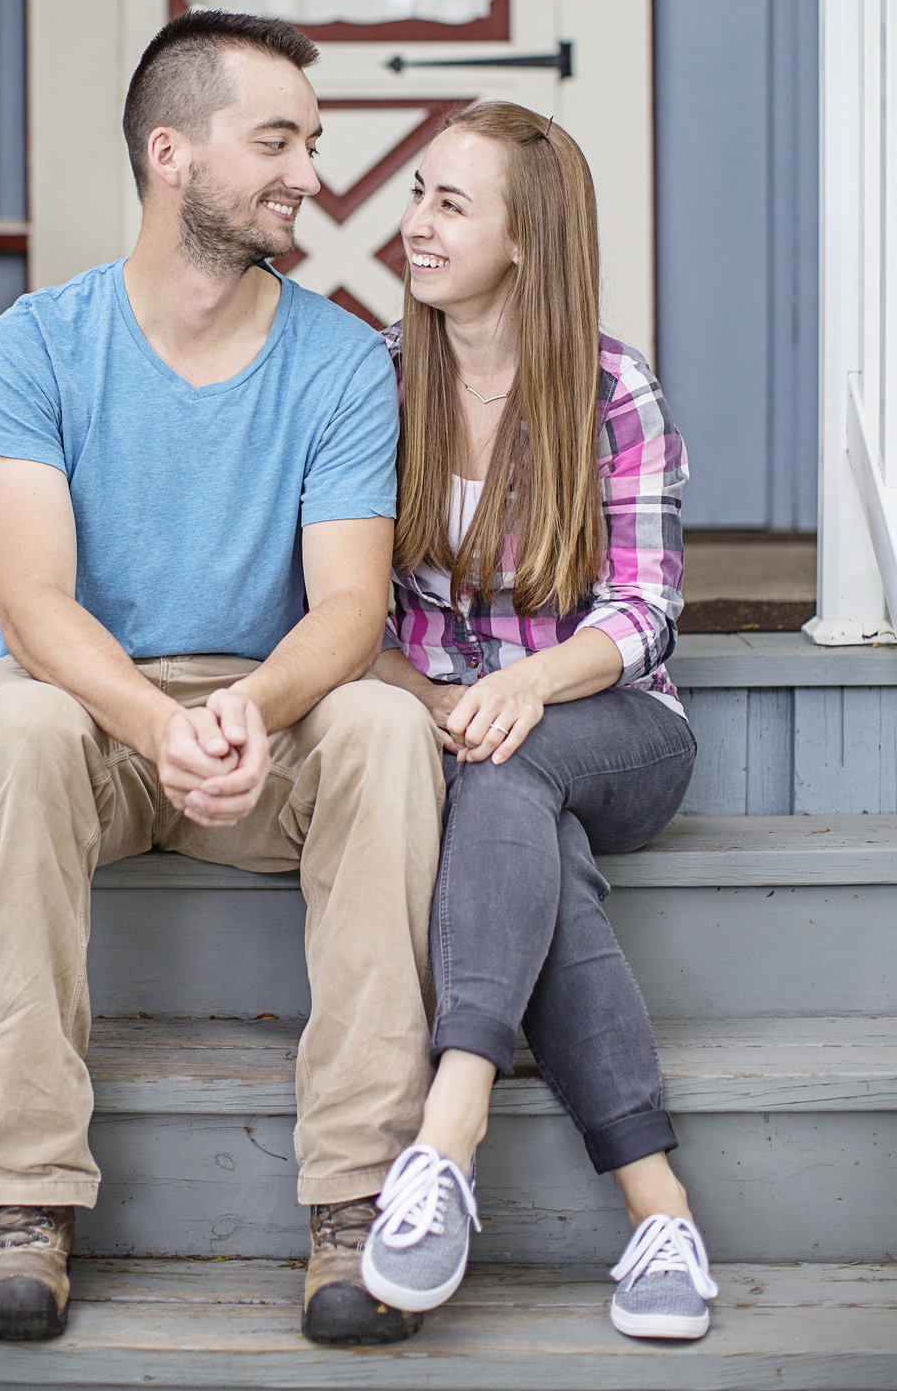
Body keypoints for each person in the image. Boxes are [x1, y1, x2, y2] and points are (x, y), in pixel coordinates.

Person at [0, 9, 446, 1348]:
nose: (308, 174)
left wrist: (247, 710)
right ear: (172, 153)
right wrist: (156, 722)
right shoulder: (33, 346)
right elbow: (30, 600)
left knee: (391, 730)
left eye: (313, 143)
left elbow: (347, 608)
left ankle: (357, 1197)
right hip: (93, 719)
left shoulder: (341, 362)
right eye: (275, 140)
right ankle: (17, 1199)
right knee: (17, 728)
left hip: (259, 725)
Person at [358, 101, 718, 1342]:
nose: (415, 225)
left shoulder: (613, 386)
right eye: (416, 194)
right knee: (522, 821)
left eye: (451, 204)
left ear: (527, 239)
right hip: (459, 736)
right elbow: (352, 616)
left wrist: (525, 685)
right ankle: (658, 1208)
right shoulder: (382, 384)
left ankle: (445, 1137)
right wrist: (440, 701)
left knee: (515, 771)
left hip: (617, 727)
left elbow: (646, 607)